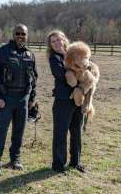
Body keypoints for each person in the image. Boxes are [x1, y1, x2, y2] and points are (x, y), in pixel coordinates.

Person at [0, 24, 38, 177]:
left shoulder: (30, 55)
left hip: (23, 99)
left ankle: (15, 159)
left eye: (23, 34)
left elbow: (34, 78)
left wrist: (32, 99)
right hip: (6, 98)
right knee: (1, 131)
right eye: (18, 33)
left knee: (19, 131)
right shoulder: (2, 52)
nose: (20, 36)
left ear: (27, 35)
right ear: (13, 34)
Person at [47, 30, 85, 173]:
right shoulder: (54, 58)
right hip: (63, 100)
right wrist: (78, 72)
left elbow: (87, 66)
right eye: (53, 41)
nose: (56, 43)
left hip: (78, 99)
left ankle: (75, 162)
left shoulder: (75, 53)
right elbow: (61, 75)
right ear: (50, 45)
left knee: (76, 132)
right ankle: (58, 164)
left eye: (58, 39)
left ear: (64, 39)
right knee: (60, 133)